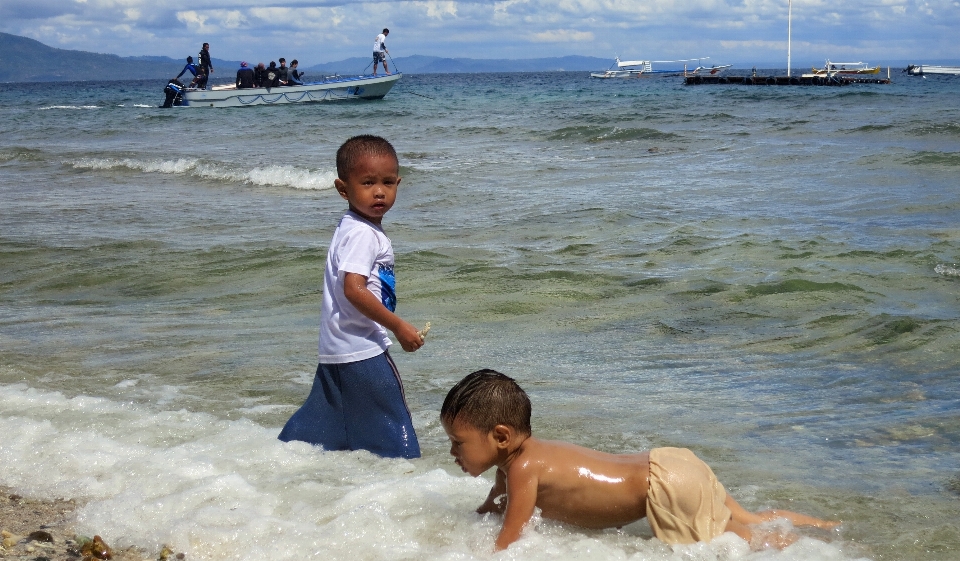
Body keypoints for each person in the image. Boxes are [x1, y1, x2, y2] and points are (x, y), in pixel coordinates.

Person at [441, 370, 840, 551]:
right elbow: (494, 506)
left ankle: (809, 549)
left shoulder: (524, 469)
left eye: (458, 443)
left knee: (745, 543)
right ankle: (823, 528)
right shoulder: (518, 462)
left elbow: (510, 541)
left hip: (664, 489)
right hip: (669, 464)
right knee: (745, 521)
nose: (453, 453)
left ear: (500, 437)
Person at [278, 135, 424, 459]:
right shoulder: (364, 234)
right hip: (363, 347)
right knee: (395, 439)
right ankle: (408, 489)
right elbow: (353, 289)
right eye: (368, 182)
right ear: (343, 189)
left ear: (398, 183)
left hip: (336, 347)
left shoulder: (350, 225)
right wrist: (398, 326)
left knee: (319, 429)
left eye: (388, 182)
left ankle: (272, 462)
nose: (379, 191)